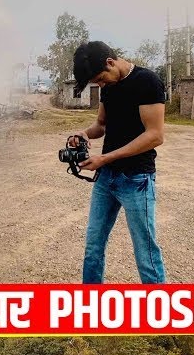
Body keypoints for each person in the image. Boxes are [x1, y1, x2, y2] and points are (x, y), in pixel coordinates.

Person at [69, 41, 167, 284]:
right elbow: (101, 125)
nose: (101, 85)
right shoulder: (109, 87)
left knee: (146, 253)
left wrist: (105, 158)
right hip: (106, 179)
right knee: (93, 246)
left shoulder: (148, 82)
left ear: (110, 62)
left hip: (136, 179)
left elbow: (155, 135)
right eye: (97, 83)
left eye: (101, 78)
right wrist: (83, 133)